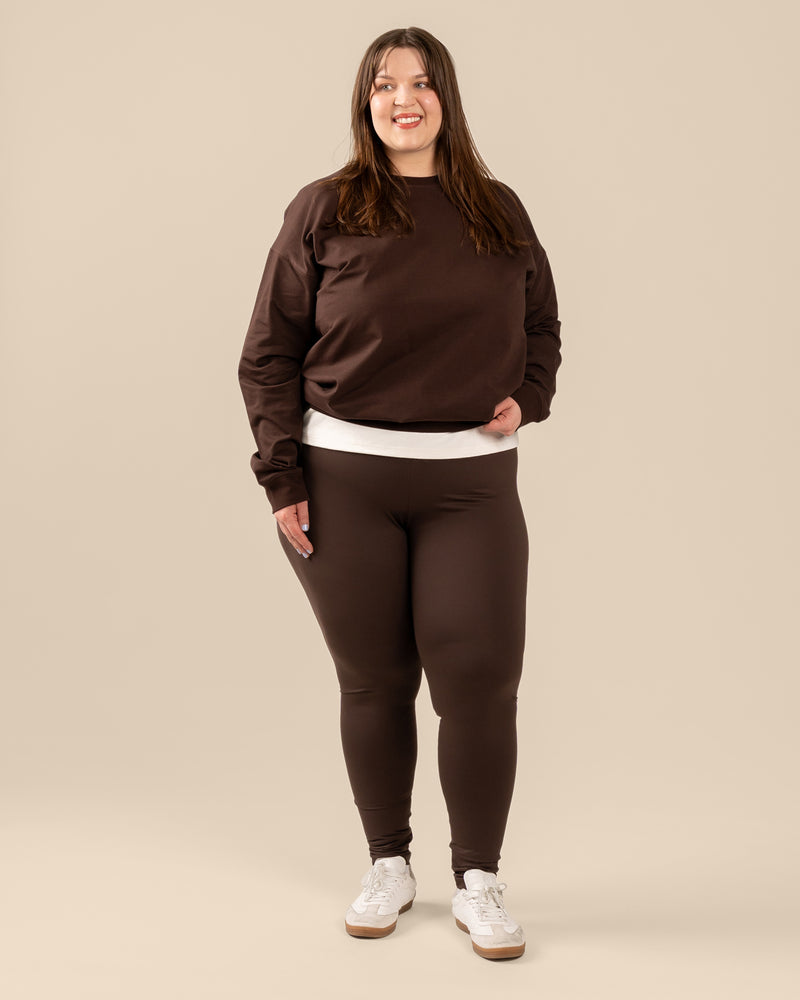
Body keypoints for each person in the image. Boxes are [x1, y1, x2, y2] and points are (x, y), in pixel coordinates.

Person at [237, 26, 562, 961]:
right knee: (375, 681)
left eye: (420, 84)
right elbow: (269, 352)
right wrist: (281, 475)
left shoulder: (497, 210)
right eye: (384, 84)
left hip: (471, 485)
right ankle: (389, 863)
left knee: (480, 684)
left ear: (446, 99)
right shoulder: (325, 207)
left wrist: (530, 395)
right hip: (343, 483)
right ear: (365, 101)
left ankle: (478, 880)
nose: (403, 100)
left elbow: (542, 324)